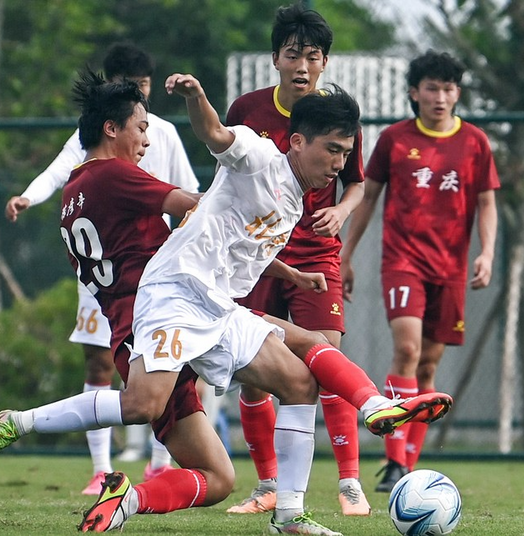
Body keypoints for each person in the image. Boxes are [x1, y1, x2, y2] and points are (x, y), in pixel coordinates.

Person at [0, 71, 452, 535]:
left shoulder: (74, 190)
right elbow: (205, 178)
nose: (147, 140)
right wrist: (198, 104)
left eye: (345, 154)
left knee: (291, 389)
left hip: (203, 302)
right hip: (170, 300)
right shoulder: (122, 173)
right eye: (142, 127)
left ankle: (294, 494)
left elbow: (228, 236)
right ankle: (18, 422)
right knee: (141, 404)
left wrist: (286, 269)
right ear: (110, 128)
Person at [4, 42, 200, 494]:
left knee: (163, 377)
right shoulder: (96, 151)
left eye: (145, 90)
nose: (145, 135)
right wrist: (29, 196)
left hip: (154, 269)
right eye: (133, 93)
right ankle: (100, 468)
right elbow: (59, 172)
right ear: (111, 119)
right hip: (107, 276)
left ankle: (157, 465)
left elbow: (186, 192)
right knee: (113, 370)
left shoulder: (161, 133)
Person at [225, 3, 371, 517]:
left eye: (313, 56)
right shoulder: (246, 108)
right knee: (252, 367)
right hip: (256, 249)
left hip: (315, 248)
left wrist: (343, 213)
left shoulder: (340, 115)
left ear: (325, 62)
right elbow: (226, 176)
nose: (303, 66)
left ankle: (350, 482)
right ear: (275, 59)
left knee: (327, 356)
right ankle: (267, 484)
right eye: (294, 55)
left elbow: (357, 183)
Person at [341, 50, 500, 492]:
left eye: (449, 89)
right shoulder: (394, 139)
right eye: (432, 87)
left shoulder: (475, 143)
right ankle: (393, 462)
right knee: (407, 351)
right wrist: (346, 254)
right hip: (403, 262)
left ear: (457, 94)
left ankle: (409, 464)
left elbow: (487, 203)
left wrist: (486, 253)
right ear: (415, 92)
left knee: (428, 367)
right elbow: (368, 198)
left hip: (450, 269)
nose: (441, 96)